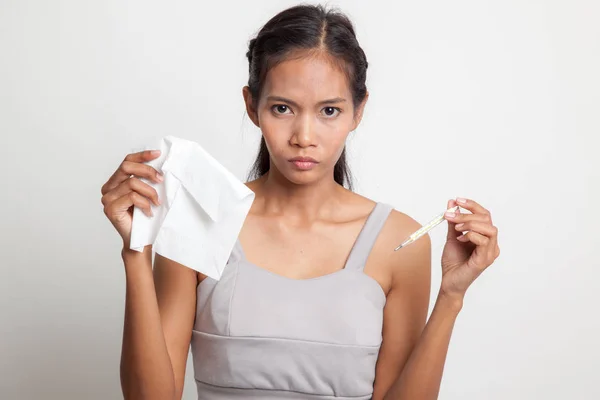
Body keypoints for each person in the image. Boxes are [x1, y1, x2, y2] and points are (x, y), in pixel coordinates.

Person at [100, 4, 500, 400]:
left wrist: (451, 297)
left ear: (358, 110)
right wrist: (137, 251)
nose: (303, 136)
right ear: (251, 106)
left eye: (329, 110)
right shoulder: (204, 220)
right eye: (282, 108)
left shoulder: (398, 241)